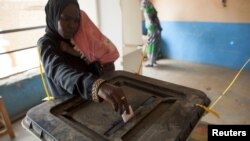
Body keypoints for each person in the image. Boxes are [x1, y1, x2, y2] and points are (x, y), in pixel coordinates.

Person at [38, 0, 130, 115]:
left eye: (76, 20)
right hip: (68, 110)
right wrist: (96, 86)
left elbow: (86, 64)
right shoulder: (46, 44)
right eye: (66, 18)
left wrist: (101, 68)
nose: (72, 25)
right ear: (53, 14)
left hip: (87, 102)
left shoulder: (76, 39)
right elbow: (59, 71)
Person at [141, 0, 162, 67]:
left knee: (151, 46)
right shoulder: (152, 9)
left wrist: (150, 31)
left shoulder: (147, 11)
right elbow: (155, 19)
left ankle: (150, 62)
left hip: (152, 30)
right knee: (155, 45)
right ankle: (154, 60)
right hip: (156, 29)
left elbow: (151, 21)